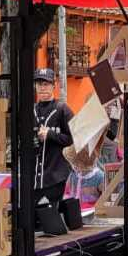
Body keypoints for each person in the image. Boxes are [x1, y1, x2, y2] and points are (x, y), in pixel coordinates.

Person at [32, 69, 74, 223]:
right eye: (39, 84)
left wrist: (51, 135)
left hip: (55, 175)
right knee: (33, 221)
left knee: (51, 220)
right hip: (34, 177)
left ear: (53, 86)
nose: (42, 88)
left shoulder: (62, 109)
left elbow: (74, 138)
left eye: (46, 84)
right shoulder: (31, 110)